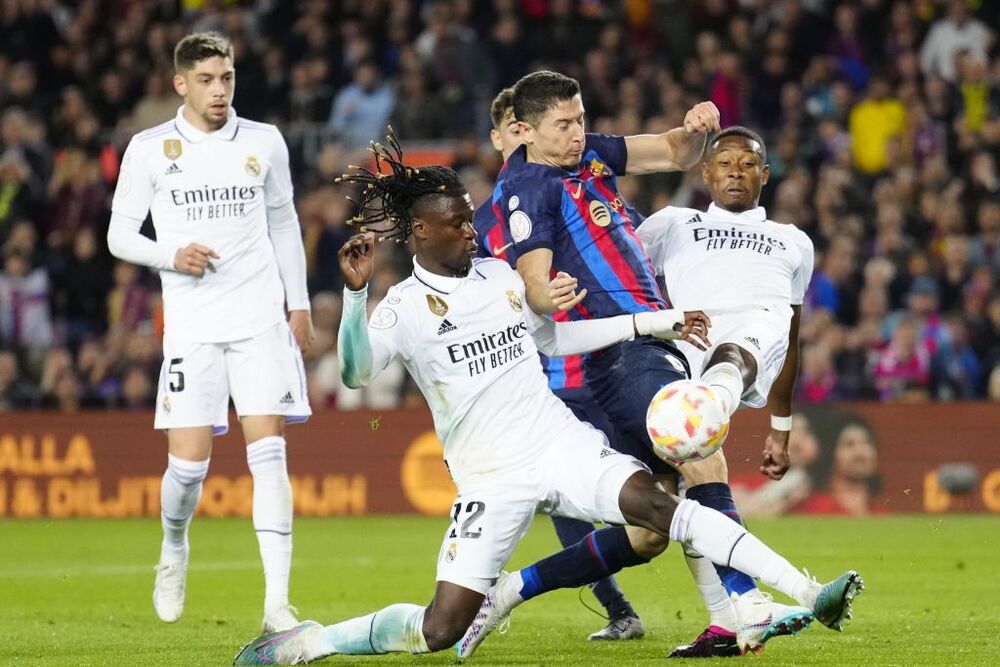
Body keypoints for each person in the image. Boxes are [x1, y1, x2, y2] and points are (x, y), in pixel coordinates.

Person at [232, 140, 862, 666]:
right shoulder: (401, 307)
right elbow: (354, 371)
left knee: (659, 506)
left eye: (471, 217)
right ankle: (314, 641)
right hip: (489, 476)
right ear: (420, 231)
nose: (470, 229)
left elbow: (560, 336)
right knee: (438, 629)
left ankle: (807, 591)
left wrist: (647, 326)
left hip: (557, 442)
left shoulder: (502, 278)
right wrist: (352, 299)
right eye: (456, 223)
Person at [477, 70, 794, 655]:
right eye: (565, 124)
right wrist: (548, 296)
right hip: (614, 354)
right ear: (522, 131)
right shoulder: (523, 190)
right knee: (700, 445)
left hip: (640, 344)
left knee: (650, 532)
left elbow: (672, 150)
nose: (579, 133)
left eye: (580, 118)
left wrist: (696, 130)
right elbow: (533, 285)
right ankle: (744, 606)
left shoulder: (587, 154)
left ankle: (510, 591)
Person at [106, 32, 312, 632]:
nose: (219, 90)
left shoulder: (265, 142)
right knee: (189, 469)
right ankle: (174, 547)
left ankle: (278, 603)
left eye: (225, 78)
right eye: (205, 80)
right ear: (180, 84)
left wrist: (296, 304)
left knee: (269, 458)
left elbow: (284, 221)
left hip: (259, 322)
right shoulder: (150, 149)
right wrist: (172, 254)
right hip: (193, 327)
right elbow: (119, 236)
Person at [473, 87, 644, 642]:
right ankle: (619, 607)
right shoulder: (480, 222)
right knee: (562, 495)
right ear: (502, 136)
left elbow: (621, 236)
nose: (514, 137)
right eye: (504, 129)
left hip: (603, 355)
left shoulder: (570, 187)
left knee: (647, 494)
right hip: (546, 378)